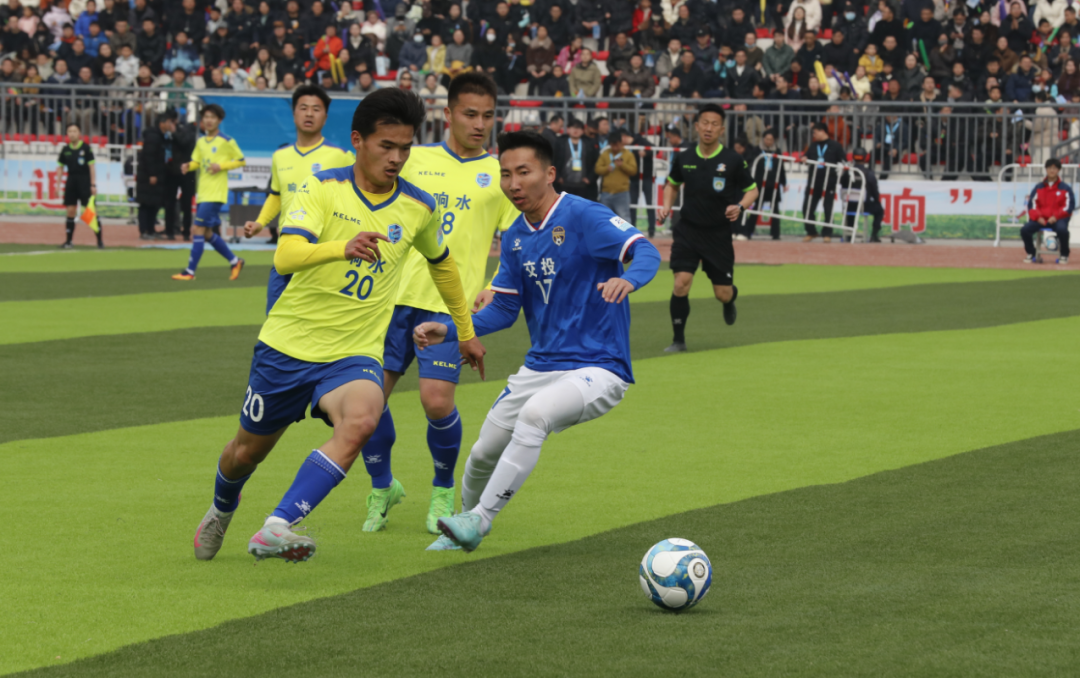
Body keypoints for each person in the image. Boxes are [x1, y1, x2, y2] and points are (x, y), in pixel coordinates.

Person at [191, 88, 486, 562]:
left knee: (364, 419)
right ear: (358, 140)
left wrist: (466, 333)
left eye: (405, 148)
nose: (397, 158)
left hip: (354, 352)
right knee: (245, 453)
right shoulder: (322, 188)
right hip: (288, 346)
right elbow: (286, 256)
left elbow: (443, 265)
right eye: (386, 146)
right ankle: (222, 508)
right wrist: (340, 247)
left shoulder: (418, 206)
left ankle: (277, 525)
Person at [415, 130, 662, 552]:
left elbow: (646, 251)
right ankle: (462, 526)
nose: (513, 184)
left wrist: (629, 279)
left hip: (600, 366)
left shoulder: (584, 216)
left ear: (549, 174)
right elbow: (504, 309)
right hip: (540, 366)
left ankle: (480, 520)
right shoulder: (514, 236)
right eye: (505, 174)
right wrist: (453, 328)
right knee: (482, 453)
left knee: (535, 416)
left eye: (523, 172)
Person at [363, 73, 519, 535]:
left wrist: (496, 284)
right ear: (448, 114)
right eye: (470, 114)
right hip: (392, 300)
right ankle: (382, 486)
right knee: (366, 403)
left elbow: (516, 240)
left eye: (488, 116)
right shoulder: (414, 159)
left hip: (450, 308)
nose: (480, 124)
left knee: (435, 402)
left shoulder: (500, 174)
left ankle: (442, 490)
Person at [658, 104, 759, 352]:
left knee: (722, 293)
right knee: (681, 283)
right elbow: (672, 185)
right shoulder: (685, 157)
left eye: (714, 124)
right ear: (697, 126)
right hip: (688, 230)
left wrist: (740, 206)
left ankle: (730, 299)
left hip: (718, 234)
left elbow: (752, 191)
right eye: (705, 122)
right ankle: (678, 340)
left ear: (721, 130)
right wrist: (666, 206)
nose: (708, 128)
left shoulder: (733, 160)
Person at [244, 85, 354, 290]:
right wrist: (260, 223)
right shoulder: (280, 155)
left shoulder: (341, 156)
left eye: (316, 109)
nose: (309, 113)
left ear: (325, 117)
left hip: (322, 256)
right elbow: (277, 195)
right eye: (303, 108)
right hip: (286, 251)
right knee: (275, 310)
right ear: (294, 115)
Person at [171, 105, 246, 281]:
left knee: (197, 228)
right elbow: (197, 162)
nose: (209, 120)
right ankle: (235, 261)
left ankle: (190, 272)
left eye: (212, 117)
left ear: (219, 120)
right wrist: (188, 166)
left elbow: (241, 161)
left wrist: (221, 166)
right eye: (206, 117)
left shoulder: (226, 141)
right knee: (206, 233)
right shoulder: (201, 142)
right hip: (203, 192)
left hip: (215, 193)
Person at [57, 122, 103, 249]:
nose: (72, 134)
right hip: (71, 181)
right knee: (70, 211)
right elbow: (60, 168)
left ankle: (100, 241)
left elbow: (92, 167)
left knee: (91, 211)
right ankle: (68, 241)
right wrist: (57, 185)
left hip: (84, 182)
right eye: (69, 131)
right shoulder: (65, 150)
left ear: (79, 133)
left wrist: (93, 184)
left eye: (74, 131)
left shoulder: (86, 148)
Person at [1021, 158, 1075, 265]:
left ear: (1058, 170)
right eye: (1050, 168)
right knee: (1025, 230)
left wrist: (1055, 216)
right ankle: (1032, 253)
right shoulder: (1038, 187)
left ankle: (1064, 255)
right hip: (1040, 219)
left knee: (1063, 230)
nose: (1052, 170)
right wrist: (1038, 217)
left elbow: (1069, 207)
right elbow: (1032, 205)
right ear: (1046, 169)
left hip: (1058, 219)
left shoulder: (1065, 188)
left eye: (1055, 168)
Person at [136, 109, 180, 241]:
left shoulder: (161, 136)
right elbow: (149, 157)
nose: (171, 125)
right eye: (169, 122)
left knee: (153, 204)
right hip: (148, 177)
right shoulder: (153, 137)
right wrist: (152, 174)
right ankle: (144, 231)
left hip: (157, 175)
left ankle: (150, 229)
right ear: (162, 123)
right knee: (146, 204)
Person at [800, 122, 846, 242]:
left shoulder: (835, 145)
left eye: (815, 132)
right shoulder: (813, 145)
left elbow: (843, 161)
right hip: (813, 182)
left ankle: (827, 234)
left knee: (828, 209)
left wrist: (840, 170)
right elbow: (805, 156)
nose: (814, 135)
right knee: (807, 208)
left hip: (829, 183)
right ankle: (811, 231)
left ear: (822, 131)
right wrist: (804, 158)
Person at [839, 148, 884, 243]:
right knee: (879, 210)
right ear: (865, 157)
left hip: (848, 205)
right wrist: (877, 200)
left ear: (853, 157)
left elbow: (842, 184)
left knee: (851, 206)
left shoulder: (847, 172)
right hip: (864, 206)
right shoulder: (869, 173)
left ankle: (849, 236)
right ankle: (874, 236)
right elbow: (875, 192)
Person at [595, 130, 638, 223]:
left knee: (624, 218)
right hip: (606, 192)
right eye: (612, 145)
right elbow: (597, 169)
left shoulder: (628, 154)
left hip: (622, 192)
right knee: (604, 218)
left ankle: (625, 233)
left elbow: (633, 171)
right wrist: (606, 168)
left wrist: (623, 165)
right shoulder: (605, 154)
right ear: (610, 144)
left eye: (617, 144)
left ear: (621, 143)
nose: (615, 147)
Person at [753, 129, 787, 240]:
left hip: (773, 185)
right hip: (760, 184)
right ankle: (748, 231)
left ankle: (775, 234)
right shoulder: (756, 150)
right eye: (767, 139)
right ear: (763, 139)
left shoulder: (777, 151)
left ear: (774, 140)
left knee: (775, 210)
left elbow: (781, 168)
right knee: (756, 208)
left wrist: (784, 183)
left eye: (771, 140)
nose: (768, 141)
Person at [554, 118, 599, 199]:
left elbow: (596, 162)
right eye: (573, 127)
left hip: (583, 186)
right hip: (564, 184)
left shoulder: (589, 144)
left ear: (582, 131)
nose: (575, 130)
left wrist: (590, 178)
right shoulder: (560, 143)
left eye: (578, 128)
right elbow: (553, 160)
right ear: (568, 129)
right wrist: (557, 177)